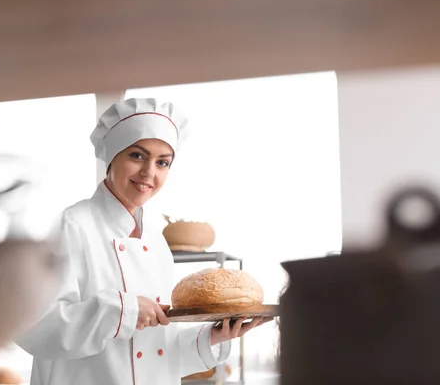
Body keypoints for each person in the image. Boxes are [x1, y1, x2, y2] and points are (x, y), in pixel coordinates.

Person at [17, 98, 270, 385]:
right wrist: (121, 310)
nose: (149, 172)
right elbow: (32, 326)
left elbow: (157, 350)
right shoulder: (73, 225)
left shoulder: (155, 239)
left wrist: (212, 336)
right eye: (137, 156)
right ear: (112, 156)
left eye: (162, 162)